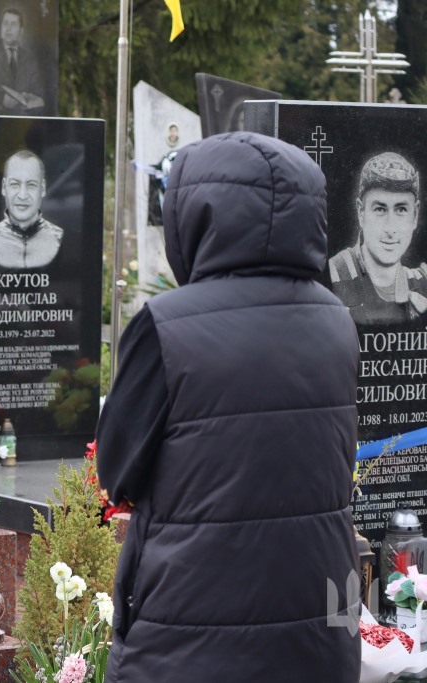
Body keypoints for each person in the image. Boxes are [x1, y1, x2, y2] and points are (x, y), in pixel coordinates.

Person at [97, 132, 360, 682]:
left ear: (193, 216)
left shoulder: (166, 326)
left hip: (191, 632)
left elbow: (117, 471)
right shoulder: (337, 321)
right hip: (319, 628)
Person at [328, 151, 427, 325]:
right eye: (380, 209)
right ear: (361, 212)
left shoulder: (423, 284)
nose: (390, 228)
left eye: (401, 209)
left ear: (415, 215)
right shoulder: (333, 275)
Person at [0, 150, 63, 269]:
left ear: (42, 188)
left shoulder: (58, 237)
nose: (22, 195)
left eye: (31, 185)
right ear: (4, 187)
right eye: (15, 184)